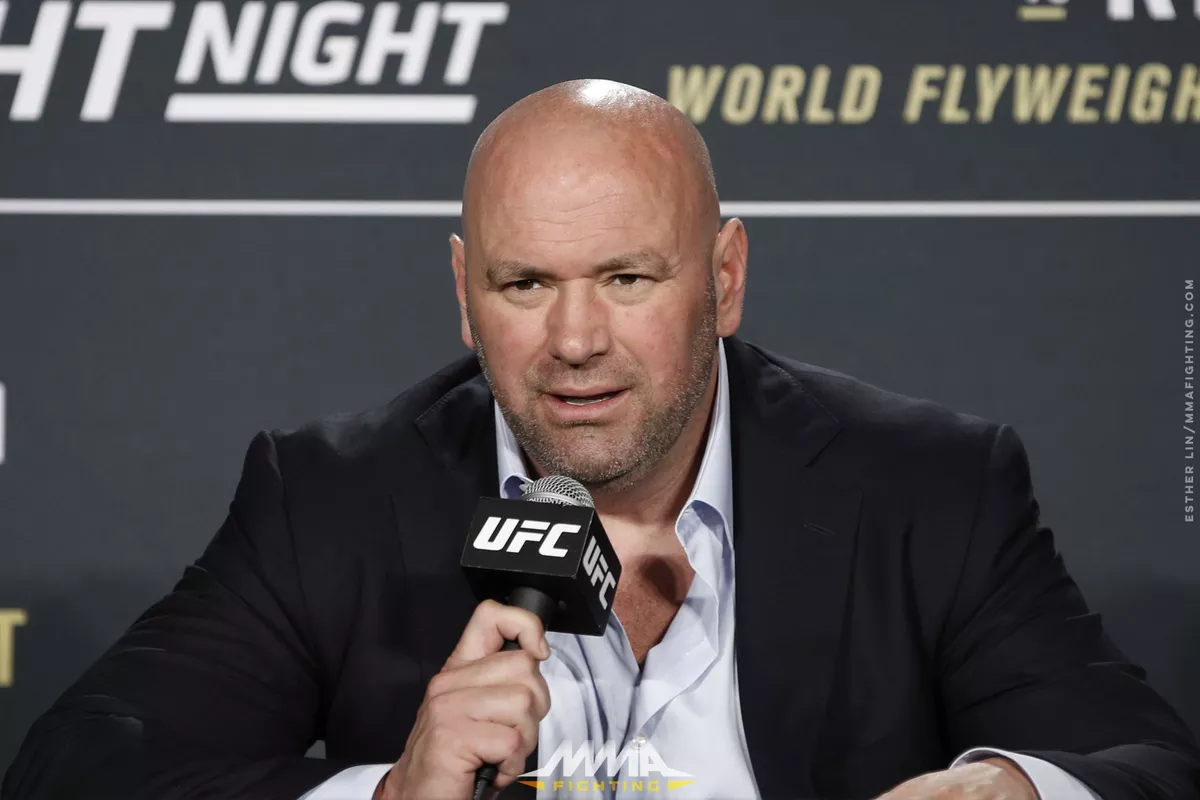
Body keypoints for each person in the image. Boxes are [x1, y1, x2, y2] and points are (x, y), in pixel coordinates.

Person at [4, 79, 1198, 800]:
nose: (575, 341)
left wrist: (1008, 785)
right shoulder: (332, 495)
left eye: (628, 277)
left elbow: (1147, 762)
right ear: (464, 293)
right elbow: (79, 766)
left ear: (724, 279)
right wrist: (390, 792)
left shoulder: (928, 486)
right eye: (525, 284)